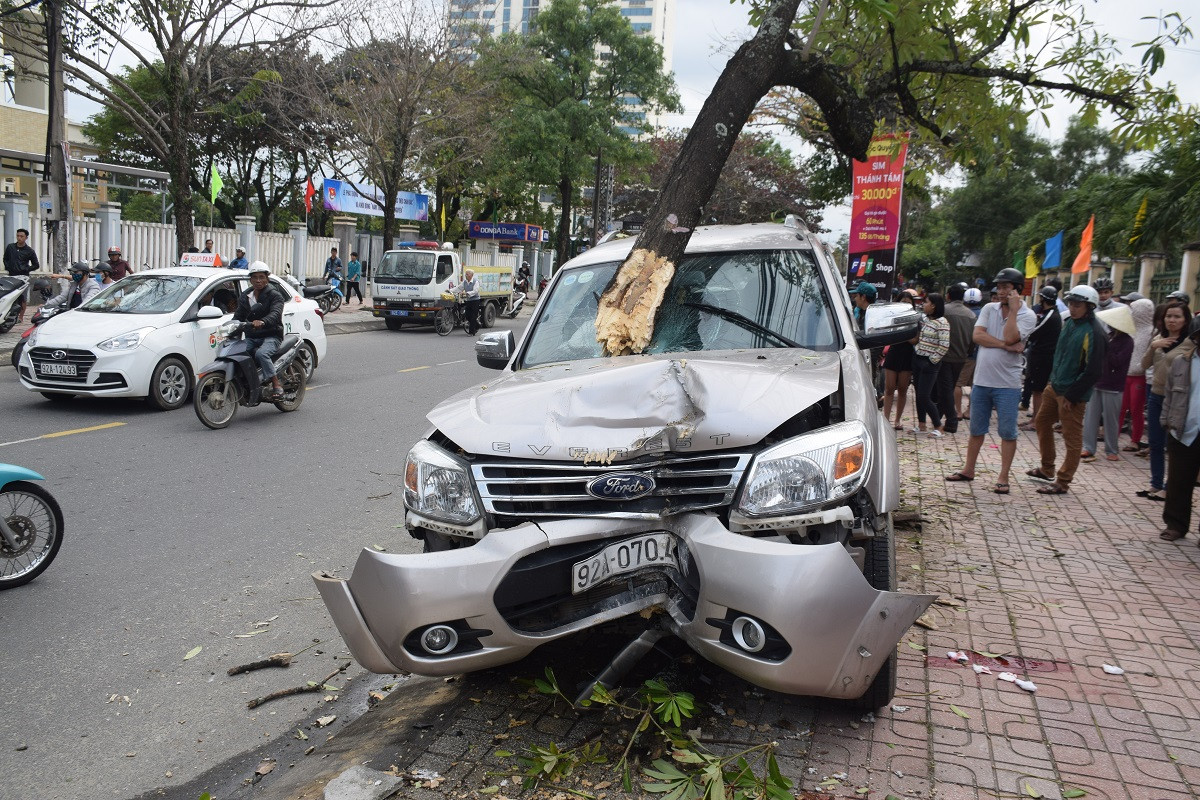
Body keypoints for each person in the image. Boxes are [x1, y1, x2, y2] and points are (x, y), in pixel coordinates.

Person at [945, 268, 1036, 495]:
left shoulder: (1028, 315)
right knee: (976, 429)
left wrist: (1013, 313)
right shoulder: (988, 308)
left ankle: (1003, 477)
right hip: (982, 381)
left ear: (1017, 290)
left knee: (1007, 431)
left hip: (1008, 384)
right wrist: (1006, 347)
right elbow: (978, 336)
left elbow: (1011, 336)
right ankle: (968, 469)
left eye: (1007, 287)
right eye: (1000, 287)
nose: (1002, 291)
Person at [1027, 285, 1106, 495]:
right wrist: (1052, 381)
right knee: (1042, 422)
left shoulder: (1094, 332)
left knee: (1072, 438)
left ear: (1089, 306)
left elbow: (1093, 370)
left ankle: (1063, 480)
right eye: (1071, 303)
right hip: (1054, 386)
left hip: (1072, 394)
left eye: (1077, 305)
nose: (1072, 308)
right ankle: (1046, 468)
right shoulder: (1069, 323)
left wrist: (1073, 394)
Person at [1138, 301, 1189, 502]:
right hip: (1156, 394)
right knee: (1156, 442)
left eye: (1177, 316)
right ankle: (1156, 483)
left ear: (1185, 320)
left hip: (1178, 399)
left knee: (1174, 444)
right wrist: (1153, 347)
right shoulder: (1158, 338)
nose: (1172, 320)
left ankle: (1170, 487)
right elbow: (1144, 364)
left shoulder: (1190, 344)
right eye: (1169, 316)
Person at [1158, 316, 1200, 541]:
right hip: (1184, 429)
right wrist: (1166, 420)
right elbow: (1170, 394)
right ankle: (1175, 524)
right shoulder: (1182, 363)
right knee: (1178, 480)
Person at [1080, 306, 1135, 462]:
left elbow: (1117, 362)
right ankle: (1088, 447)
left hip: (1114, 386)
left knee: (1111, 420)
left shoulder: (1127, 342)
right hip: (1097, 381)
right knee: (1091, 417)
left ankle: (1112, 449)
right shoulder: (1109, 336)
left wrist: (1106, 347)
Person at [233, 262, 285, 400]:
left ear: (267, 278)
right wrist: (230, 326)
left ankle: (276, 384)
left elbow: (275, 313)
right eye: (255, 277)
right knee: (236, 352)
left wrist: (263, 322)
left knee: (261, 354)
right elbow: (238, 316)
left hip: (271, 334)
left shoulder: (275, 295)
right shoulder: (246, 296)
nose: (258, 280)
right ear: (250, 279)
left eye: (261, 277)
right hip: (252, 335)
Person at [1018, 286, 1063, 429]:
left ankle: (1036, 421)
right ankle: (1035, 420)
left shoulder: (1050, 315)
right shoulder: (1049, 314)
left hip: (1043, 357)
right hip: (1040, 356)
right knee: (1035, 389)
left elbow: (1033, 332)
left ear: (1043, 299)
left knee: (1038, 390)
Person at [1118, 298, 1155, 455]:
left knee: (1135, 409)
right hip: (1125, 374)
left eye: (1133, 309)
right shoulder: (1130, 330)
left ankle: (1135, 440)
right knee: (1120, 407)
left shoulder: (1151, 332)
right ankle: (1113, 436)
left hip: (1139, 376)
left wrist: (1141, 368)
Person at [938, 283, 976, 434]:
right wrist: (968, 352)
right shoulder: (971, 315)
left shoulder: (944, 311)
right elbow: (973, 339)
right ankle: (938, 417)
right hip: (961, 357)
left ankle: (952, 420)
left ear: (948, 296)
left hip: (945, 356)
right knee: (947, 388)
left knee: (946, 389)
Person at [912, 292, 950, 437]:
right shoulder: (925, 320)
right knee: (918, 394)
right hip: (918, 360)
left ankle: (938, 426)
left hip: (929, 364)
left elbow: (944, 346)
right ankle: (922, 425)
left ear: (933, 306)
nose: (923, 305)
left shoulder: (943, 323)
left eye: (926, 302)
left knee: (924, 396)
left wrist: (931, 361)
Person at [881, 291, 916, 430]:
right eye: (903, 302)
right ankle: (885, 419)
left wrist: (902, 332)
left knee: (902, 389)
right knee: (889, 388)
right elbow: (888, 335)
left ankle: (897, 420)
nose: (906, 305)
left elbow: (915, 340)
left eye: (908, 302)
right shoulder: (892, 317)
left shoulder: (914, 319)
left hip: (907, 356)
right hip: (893, 354)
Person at [956, 287, 984, 419]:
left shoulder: (964, 313)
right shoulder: (984, 313)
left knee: (958, 384)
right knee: (975, 385)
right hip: (981, 354)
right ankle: (970, 411)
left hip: (965, 354)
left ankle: (957, 411)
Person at [4, 227, 40, 322]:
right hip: (11, 276)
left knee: (22, 297)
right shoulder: (10, 247)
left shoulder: (29, 251)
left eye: (21, 236)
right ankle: (9, 315)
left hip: (23, 277)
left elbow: (36, 265)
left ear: (26, 238)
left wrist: (25, 269)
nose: (19, 238)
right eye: (18, 236)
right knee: (10, 296)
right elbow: (5, 258)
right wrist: (8, 267)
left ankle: (21, 317)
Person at [459, 268, 482, 335]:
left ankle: (471, 332)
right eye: (465, 274)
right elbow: (459, 288)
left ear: (471, 275)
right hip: (469, 300)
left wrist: (467, 293)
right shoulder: (465, 282)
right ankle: (477, 325)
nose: (466, 275)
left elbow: (475, 291)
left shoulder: (475, 281)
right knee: (467, 315)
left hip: (475, 300)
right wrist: (450, 290)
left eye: (467, 274)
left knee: (473, 316)